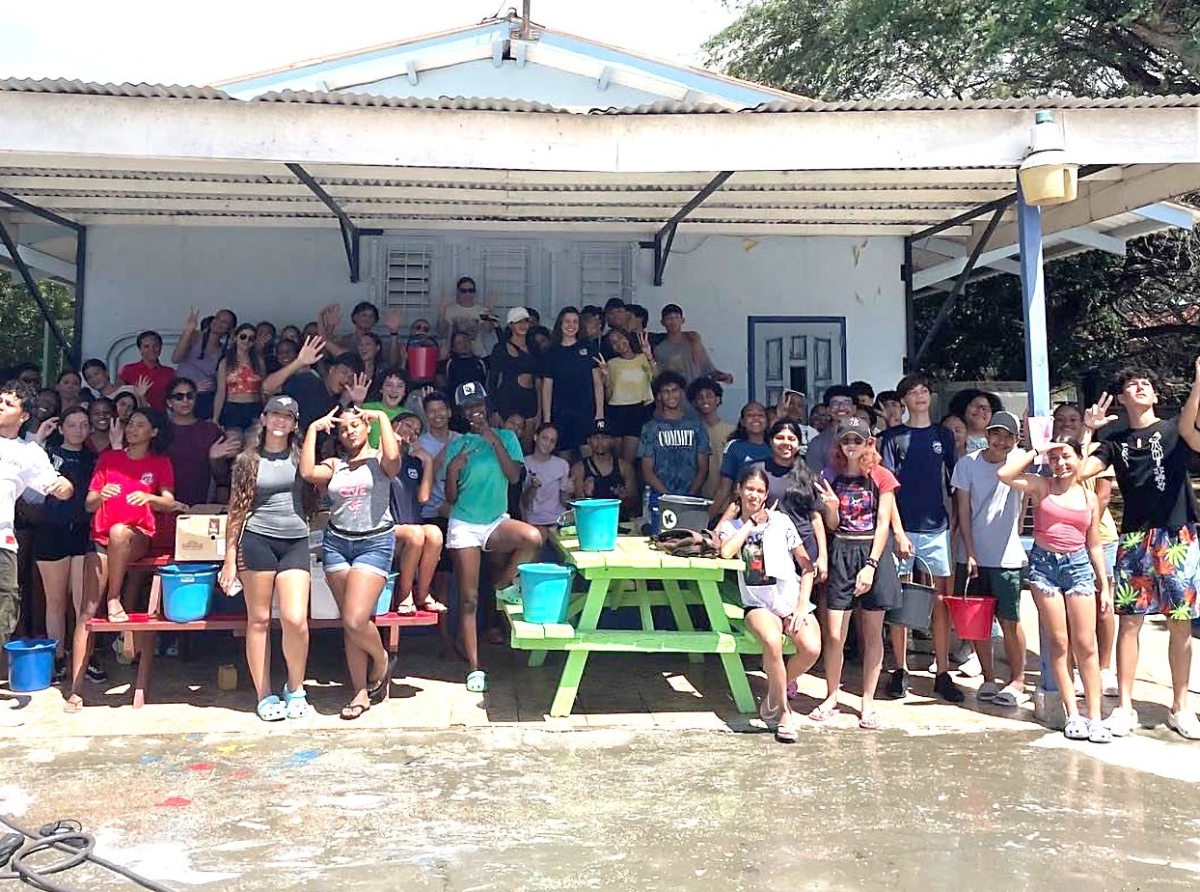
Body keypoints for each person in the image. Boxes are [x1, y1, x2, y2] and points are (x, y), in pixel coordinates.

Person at [1079, 366, 1200, 739]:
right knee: (1130, 621)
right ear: (1122, 398)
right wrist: (1088, 429)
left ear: (1156, 396)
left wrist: (1197, 383)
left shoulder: (1173, 429)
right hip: (1134, 538)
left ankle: (1181, 706)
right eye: (1133, 384)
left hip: (1178, 535)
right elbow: (1080, 469)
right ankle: (1125, 706)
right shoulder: (1115, 440)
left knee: (1180, 623)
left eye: (1147, 383)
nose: (1141, 386)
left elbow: (1190, 426)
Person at [998, 435, 1111, 743]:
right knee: (1059, 643)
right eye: (1055, 458)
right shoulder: (1040, 485)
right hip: (1044, 567)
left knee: (1086, 645)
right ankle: (1072, 714)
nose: (1060, 464)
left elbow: (1095, 544)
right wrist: (1039, 450)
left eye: (1066, 457)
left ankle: (1096, 717)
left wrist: (1104, 584)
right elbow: (1004, 474)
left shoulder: (1088, 498)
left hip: (1078, 567)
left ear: (1078, 460)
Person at [66, 408, 177, 712]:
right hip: (101, 539)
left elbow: (169, 502)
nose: (132, 429)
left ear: (153, 432)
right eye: (131, 424)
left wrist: (149, 498)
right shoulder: (109, 458)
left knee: (119, 532)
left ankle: (115, 597)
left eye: (141, 425)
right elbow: (89, 504)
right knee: (87, 611)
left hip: (137, 535)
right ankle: (75, 689)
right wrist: (102, 493)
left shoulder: (159, 462)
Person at [439, 381, 542, 693]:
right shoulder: (457, 445)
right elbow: (451, 497)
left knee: (533, 538)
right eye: (469, 407)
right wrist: (455, 470)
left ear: (486, 405)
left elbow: (513, 477)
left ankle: (502, 588)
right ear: (462, 412)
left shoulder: (508, 437)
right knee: (468, 599)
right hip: (465, 524)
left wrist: (493, 439)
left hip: (496, 520)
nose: (475, 411)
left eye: (479, 404)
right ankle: (474, 667)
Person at [301, 404, 400, 721]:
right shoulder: (335, 464)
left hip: (374, 542)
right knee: (350, 622)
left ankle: (381, 660)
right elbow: (306, 473)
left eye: (355, 425)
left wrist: (381, 418)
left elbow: (395, 461)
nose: (349, 431)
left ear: (366, 426)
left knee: (357, 619)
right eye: (343, 428)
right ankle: (359, 691)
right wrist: (313, 431)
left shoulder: (379, 460)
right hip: (337, 543)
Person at [219, 395, 313, 722]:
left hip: (295, 539)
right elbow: (236, 510)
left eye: (287, 416)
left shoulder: (303, 457)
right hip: (257, 540)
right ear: (263, 418)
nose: (280, 421)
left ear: (295, 423)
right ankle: (264, 694)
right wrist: (230, 558)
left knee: (294, 619)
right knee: (258, 621)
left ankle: (296, 687)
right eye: (275, 414)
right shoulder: (248, 460)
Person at [718, 465, 821, 744]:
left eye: (760, 491)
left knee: (811, 648)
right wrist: (750, 523)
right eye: (749, 489)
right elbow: (726, 552)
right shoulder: (732, 526)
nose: (754, 495)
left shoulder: (782, 522)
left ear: (766, 495)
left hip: (790, 600)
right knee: (773, 641)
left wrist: (801, 606)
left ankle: (774, 693)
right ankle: (784, 713)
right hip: (757, 604)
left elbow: (806, 566)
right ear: (739, 490)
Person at [813, 416, 902, 730]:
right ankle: (831, 695)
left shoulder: (881, 475)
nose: (851, 446)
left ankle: (867, 700)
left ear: (868, 442)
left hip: (872, 553)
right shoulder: (829, 475)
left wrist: (871, 565)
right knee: (835, 633)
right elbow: (831, 525)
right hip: (842, 550)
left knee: (872, 633)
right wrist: (833, 507)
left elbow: (883, 523)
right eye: (846, 440)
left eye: (857, 440)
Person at [878, 373, 960, 702]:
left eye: (925, 390)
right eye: (913, 392)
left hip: (937, 528)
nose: (920, 396)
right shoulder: (892, 437)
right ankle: (900, 669)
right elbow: (886, 488)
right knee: (900, 599)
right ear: (904, 401)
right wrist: (896, 531)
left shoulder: (944, 435)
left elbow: (953, 483)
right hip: (904, 528)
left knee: (940, 601)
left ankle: (942, 670)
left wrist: (953, 524)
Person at [950, 410, 1029, 707]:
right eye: (996, 433)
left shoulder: (1020, 459)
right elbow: (964, 511)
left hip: (1007, 556)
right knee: (978, 622)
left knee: (1010, 620)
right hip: (972, 555)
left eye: (1008, 435)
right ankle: (988, 676)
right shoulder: (967, 464)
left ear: (1016, 439)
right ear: (987, 434)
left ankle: (1018, 679)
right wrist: (969, 551)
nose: (1001, 441)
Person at [1053, 401, 1119, 697]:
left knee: (1103, 606)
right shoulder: (1053, 455)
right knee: (1071, 611)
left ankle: (1104, 668)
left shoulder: (1099, 452)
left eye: (1072, 418)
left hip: (1099, 537)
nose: (1067, 422)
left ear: (1081, 420)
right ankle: (1076, 668)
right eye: (1061, 418)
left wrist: (1083, 524)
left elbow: (1103, 496)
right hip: (1064, 542)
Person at [388, 411, 446, 615]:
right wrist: (391, 441)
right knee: (415, 534)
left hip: (411, 528)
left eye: (416, 431)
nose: (411, 432)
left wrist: (428, 462)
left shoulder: (413, 462)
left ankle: (422, 594)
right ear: (394, 425)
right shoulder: (381, 457)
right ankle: (404, 595)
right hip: (387, 529)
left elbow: (423, 498)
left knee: (435, 533)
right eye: (407, 425)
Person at [539, 307, 605, 460]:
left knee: (588, 453)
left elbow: (597, 383)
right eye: (567, 321)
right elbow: (547, 386)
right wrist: (547, 418)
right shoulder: (552, 351)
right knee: (564, 454)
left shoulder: (589, 347)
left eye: (575, 321)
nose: (571, 325)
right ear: (560, 324)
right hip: (560, 411)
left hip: (585, 410)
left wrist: (599, 413)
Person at [417, 390, 459, 613]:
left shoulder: (462, 439)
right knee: (440, 579)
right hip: (431, 514)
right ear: (425, 415)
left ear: (450, 412)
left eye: (441, 409)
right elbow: (422, 483)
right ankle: (443, 638)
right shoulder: (419, 443)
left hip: (460, 512)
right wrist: (444, 453)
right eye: (431, 411)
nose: (437, 415)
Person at [637, 371, 710, 501]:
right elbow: (647, 471)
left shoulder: (697, 426)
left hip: (692, 498)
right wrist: (669, 498)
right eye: (666, 391)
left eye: (675, 390)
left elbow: (703, 468)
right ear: (659, 396)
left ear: (682, 393)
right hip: (660, 499)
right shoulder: (650, 429)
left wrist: (689, 496)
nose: (671, 395)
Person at [165, 377, 238, 507]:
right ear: (169, 402)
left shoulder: (211, 430)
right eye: (179, 397)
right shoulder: (161, 431)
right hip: (166, 503)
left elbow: (223, 477)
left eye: (190, 395)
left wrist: (214, 459)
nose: (185, 401)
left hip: (203, 504)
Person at [600, 327, 656, 464]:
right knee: (617, 461)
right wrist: (605, 377)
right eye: (613, 342)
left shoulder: (643, 358)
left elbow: (657, 379)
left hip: (638, 411)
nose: (618, 343)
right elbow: (608, 395)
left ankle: (629, 485)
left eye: (620, 337)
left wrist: (649, 356)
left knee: (629, 461)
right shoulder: (611, 364)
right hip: (616, 412)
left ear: (627, 337)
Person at [709, 401, 772, 520]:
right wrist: (708, 518)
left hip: (770, 511)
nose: (756, 418)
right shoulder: (734, 447)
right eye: (750, 415)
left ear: (767, 420)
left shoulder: (774, 447)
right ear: (742, 422)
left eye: (760, 415)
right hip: (742, 512)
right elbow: (724, 488)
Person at [172, 307, 236, 420]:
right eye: (217, 318)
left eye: (224, 322)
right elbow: (176, 358)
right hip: (184, 393)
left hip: (206, 398)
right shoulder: (195, 336)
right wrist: (188, 330)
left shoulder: (225, 351)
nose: (218, 323)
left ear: (229, 329)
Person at [489, 308, 540, 443]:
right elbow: (492, 380)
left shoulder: (534, 347)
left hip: (530, 398)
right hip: (509, 397)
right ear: (511, 325)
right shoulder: (501, 348)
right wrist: (493, 409)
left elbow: (539, 379)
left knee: (527, 442)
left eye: (525, 321)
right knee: (507, 440)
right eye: (518, 322)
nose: (523, 325)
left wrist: (540, 410)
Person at [652, 303, 733, 385]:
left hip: (697, 394)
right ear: (662, 322)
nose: (673, 321)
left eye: (676, 317)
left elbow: (708, 369)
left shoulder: (694, 342)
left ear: (682, 320)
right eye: (669, 318)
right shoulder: (659, 349)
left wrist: (722, 376)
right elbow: (660, 377)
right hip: (676, 396)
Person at [570, 419, 638, 516]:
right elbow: (577, 507)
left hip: (619, 522)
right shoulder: (579, 469)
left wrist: (625, 497)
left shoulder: (625, 467)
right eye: (595, 437)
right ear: (589, 441)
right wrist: (586, 495)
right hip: (591, 520)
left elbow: (635, 504)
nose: (600, 441)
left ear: (612, 441)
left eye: (605, 437)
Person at [522, 422, 572, 540]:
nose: (547, 444)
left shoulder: (562, 465)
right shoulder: (524, 463)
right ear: (535, 437)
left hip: (558, 521)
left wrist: (568, 491)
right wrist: (533, 488)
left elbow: (564, 502)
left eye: (552, 441)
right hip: (534, 522)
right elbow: (524, 503)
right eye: (544, 438)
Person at [688, 377, 735, 501]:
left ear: (718, 399)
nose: (705, 400)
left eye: (709, 396)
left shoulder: (732, 431)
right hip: (697, 497)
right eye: (700, 397)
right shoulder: (690, 431)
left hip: (726, 499)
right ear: (694, 402)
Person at [213, 323, 265, 434]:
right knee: (234, 442)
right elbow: (221, 392)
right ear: (235, 337)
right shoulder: (226, 362)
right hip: (233, 408)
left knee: (253, 442)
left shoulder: (258, 361)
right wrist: (215, 418)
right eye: (243, 336)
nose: (246, 341)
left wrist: (266, 411)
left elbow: (264, 389)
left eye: (251, 338)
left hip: (255, 406)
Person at [119, 330, 175, 412]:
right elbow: (120, 397)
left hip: (161, 418)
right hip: (136, 417)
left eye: (155, 346)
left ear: (161, 347)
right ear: (140, 349)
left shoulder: (170, 372)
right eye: (146, 346)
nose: (151, 350)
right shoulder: (128, 370)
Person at [805, 385, 858, 473]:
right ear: (828, 410)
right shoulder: (817, 443)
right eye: (835, 404)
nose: (841, 408)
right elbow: (814, 478)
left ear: (854, 409)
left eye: (846, 403)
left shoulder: (866, 439)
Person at [439, 277, 495, 358]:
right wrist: (441, 309)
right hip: (454, 356)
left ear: (475, 293)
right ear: (458, 292)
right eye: (463, 291)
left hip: (477, 355)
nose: (467, 294)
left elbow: (488, 330)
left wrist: (490, 309)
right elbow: (441, 331)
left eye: (471, 291)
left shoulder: (482, 310)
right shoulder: (450, 310)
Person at [363, 368, 409, 448]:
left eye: (399, 386)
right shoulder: (366, 408)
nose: (394, 390)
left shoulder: (409, 416)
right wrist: (357, 402)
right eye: (389, 385)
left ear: (404, 392)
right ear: (381, 389)